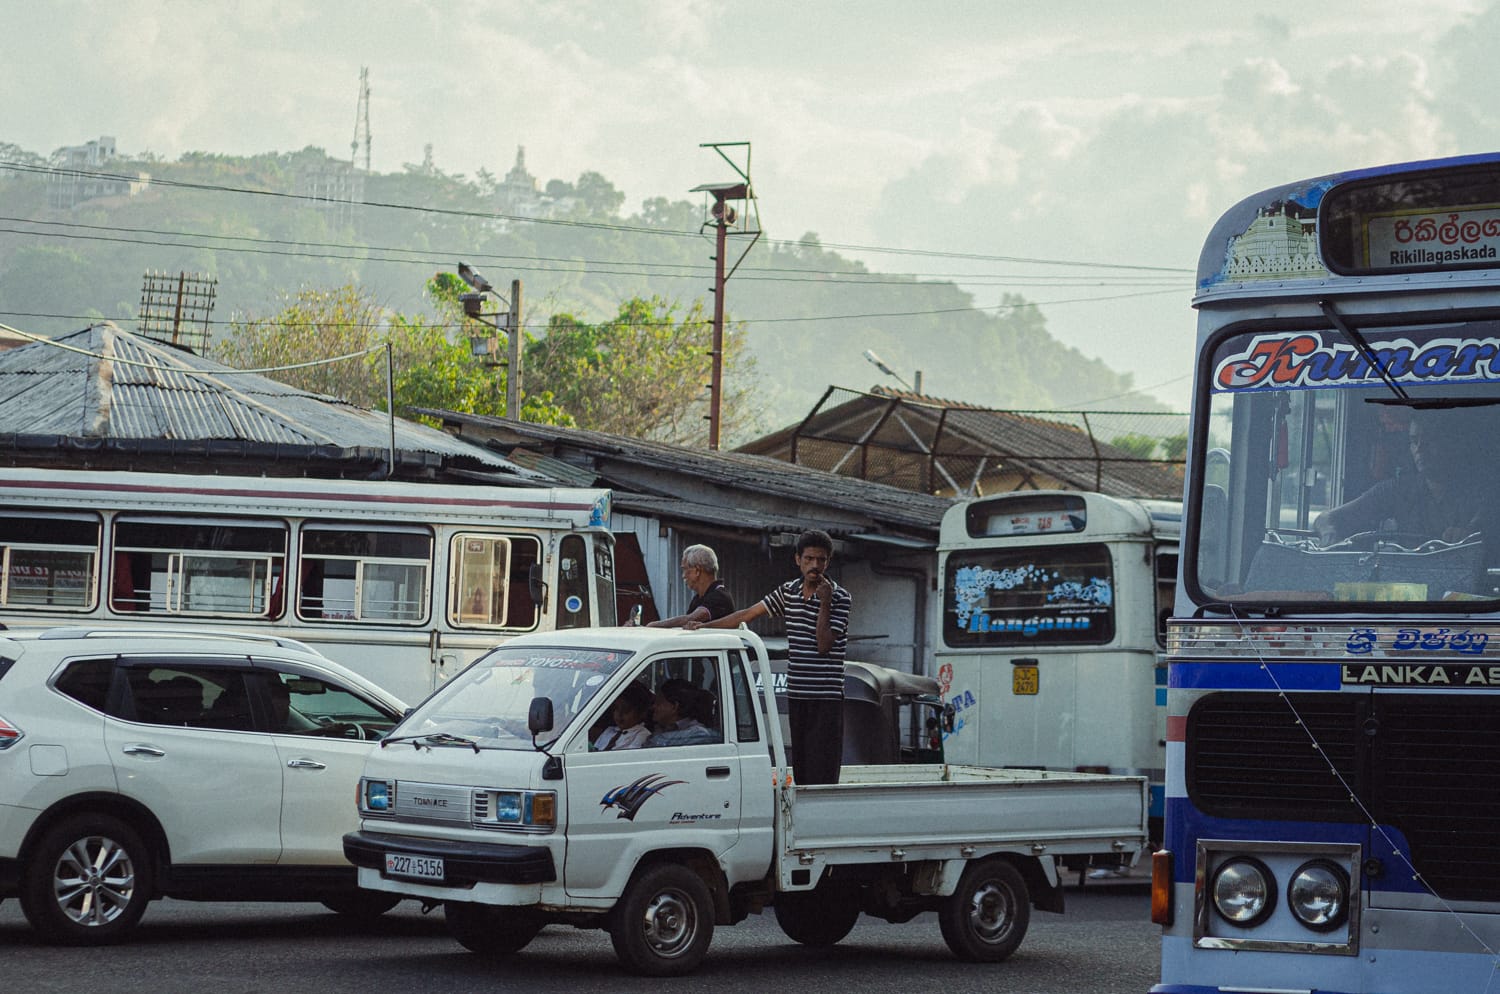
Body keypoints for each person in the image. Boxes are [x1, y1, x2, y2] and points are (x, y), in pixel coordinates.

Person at [687, 529, 852, 785]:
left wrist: (825, 603)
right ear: (798, 560)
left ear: (828, 562)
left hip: (825, 698)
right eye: (809, 559)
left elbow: (823, 644)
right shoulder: (789, 591)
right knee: (802, 769)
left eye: (821, 560)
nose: (815, 566)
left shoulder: (839, 597)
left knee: (823, 771)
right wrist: (706, 627)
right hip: (797, 694)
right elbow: (748, 614)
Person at [1315, 411, 1488, 546]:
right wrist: (1329, 532)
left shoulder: (1481, 492)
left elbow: (1484, 525)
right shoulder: (1396, 489)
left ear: (1451, 444)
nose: (1420, 449)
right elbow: (1326, 518)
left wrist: (1469, 534)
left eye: (1430, 441)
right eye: (1414, 441)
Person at [647, 544, 735, 627]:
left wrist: (653, 625)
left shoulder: (720, 596)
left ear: (697, 571)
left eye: (685, 569)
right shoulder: (699, 598)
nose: (683, 575)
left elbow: (690, 619)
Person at [644, 678, 718, 747]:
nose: (653, 706)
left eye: (659, 702)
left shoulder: (697, 734)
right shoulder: (661, 727)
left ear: (674, 706)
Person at [592, 682, 653, 751]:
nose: (620, 714)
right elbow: (595, 749)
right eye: (616, 709)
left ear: (641, 713)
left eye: (626, 710)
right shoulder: (609, 730)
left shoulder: (642, 734)